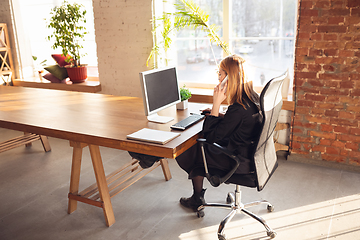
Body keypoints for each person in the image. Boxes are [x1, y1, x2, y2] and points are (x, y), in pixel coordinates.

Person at [175, 54, 261, 214]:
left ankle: (196, 198)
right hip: (249, 155)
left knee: (193, 148)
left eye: (220, 74)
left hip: (237, 161)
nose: (218, 77)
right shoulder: (252, 98)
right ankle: (197, 196)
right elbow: (239, 122)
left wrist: (216, 104)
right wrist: (221, 115)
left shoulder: (237, 108)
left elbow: (211, 137)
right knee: (197, 145)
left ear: (229, 78)